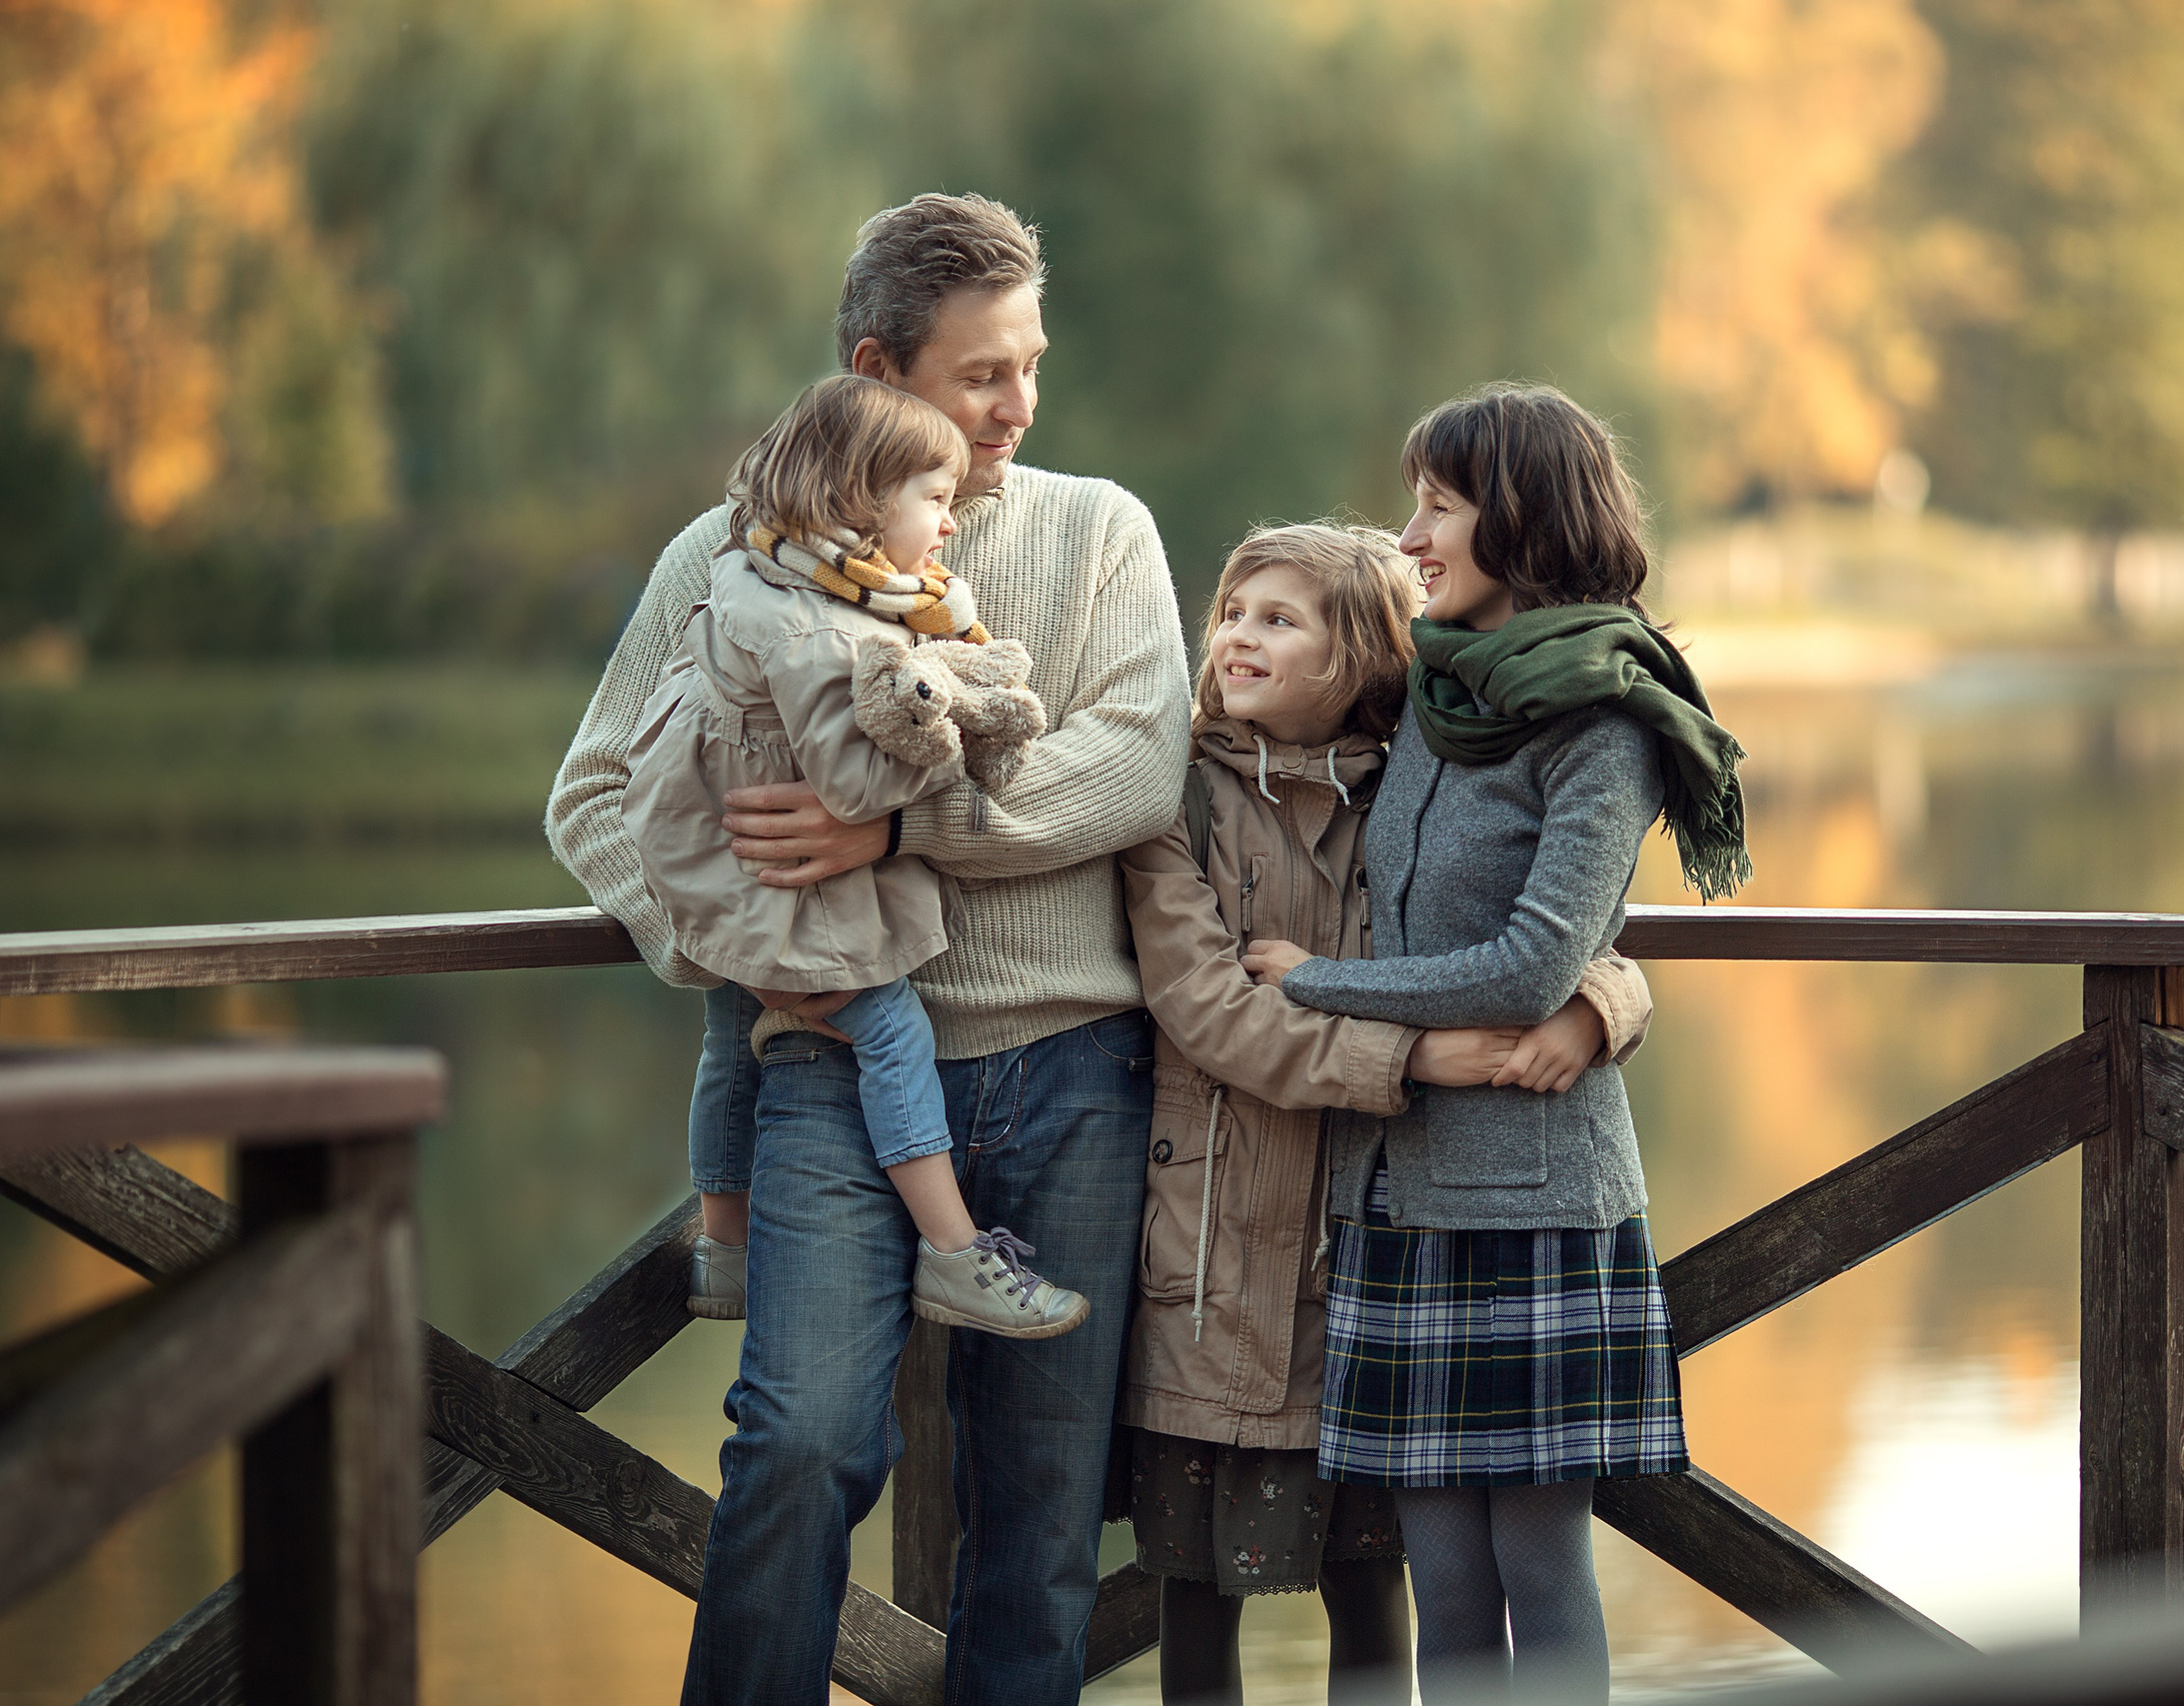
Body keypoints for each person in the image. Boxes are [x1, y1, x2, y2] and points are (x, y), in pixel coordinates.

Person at [545, 192, 1191, 1705]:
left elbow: (1135, 766)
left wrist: (901, 834)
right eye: (981, 377)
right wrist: (749, 947)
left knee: (1036, 1524)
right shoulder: (727, 554)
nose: (1017, 406)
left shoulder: (1102, 532)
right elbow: (594, 797)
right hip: (826, 1068)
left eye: (1031, 365)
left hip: (1075, 1069)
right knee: (800, 1443)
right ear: (877, 365)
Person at [1242, 384, 1750, 1704]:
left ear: (1517, 519)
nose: (1410, 533)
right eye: (1416, 502)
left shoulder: (1606, 720)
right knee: (1445, 1585)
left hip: (1533, 1198)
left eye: (1440, 505)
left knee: (1537, 1570)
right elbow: (1251, 727)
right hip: (1395, 1191)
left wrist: (1319, 986)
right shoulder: (1432, 693)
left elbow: (1535, 962)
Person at [1116, 522, 1659, 1706]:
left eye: (1280, 617)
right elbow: (1213, 1012)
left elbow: (1553, 934)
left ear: (1363, 654)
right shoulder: (1169, 796)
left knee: (1383, 1587)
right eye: (1234, 611)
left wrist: (1600, 1008)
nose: (1238, 637)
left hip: (1375, 1247)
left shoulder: (1417, 781)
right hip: (1211, 1258)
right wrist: (1419, 1057)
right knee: (1193, 1589)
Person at [620, 371, 1086, 1339]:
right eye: (934, 500)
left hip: (710, 865)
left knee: (724, 1042)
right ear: (860, 505)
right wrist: (947, 733)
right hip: (769, 883)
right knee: (891, 1033)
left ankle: (723, 1252)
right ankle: (955, 1252)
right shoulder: (818, 631)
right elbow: (854, 788)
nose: (949, 525)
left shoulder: (760, 567)